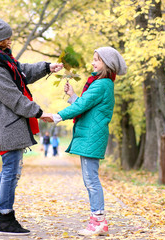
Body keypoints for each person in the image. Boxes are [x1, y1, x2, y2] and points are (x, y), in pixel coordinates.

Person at [0, 13, 63, 236]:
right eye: (7, 39)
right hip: (6, 125)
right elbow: (13, 98)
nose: (11, 41)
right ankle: (6, 219)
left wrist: (47, 67)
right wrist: (40, 112)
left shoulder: (0, 58)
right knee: (11, 171)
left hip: (10, 125)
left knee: (9, 171)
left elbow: (22, 72)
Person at [43, 47, 127, 236]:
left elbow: (82, 106)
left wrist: (57, 116)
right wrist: (72, 96)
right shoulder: (102, 84)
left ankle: (98, 222)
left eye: (97, 60)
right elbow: (86, 105)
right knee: (90, 180)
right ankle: (98, 221)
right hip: (91, 135)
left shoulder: (101, 84)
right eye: (93, 59)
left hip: (92, 136)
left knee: (91, 180)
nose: (93, 63)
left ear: (107, 64)